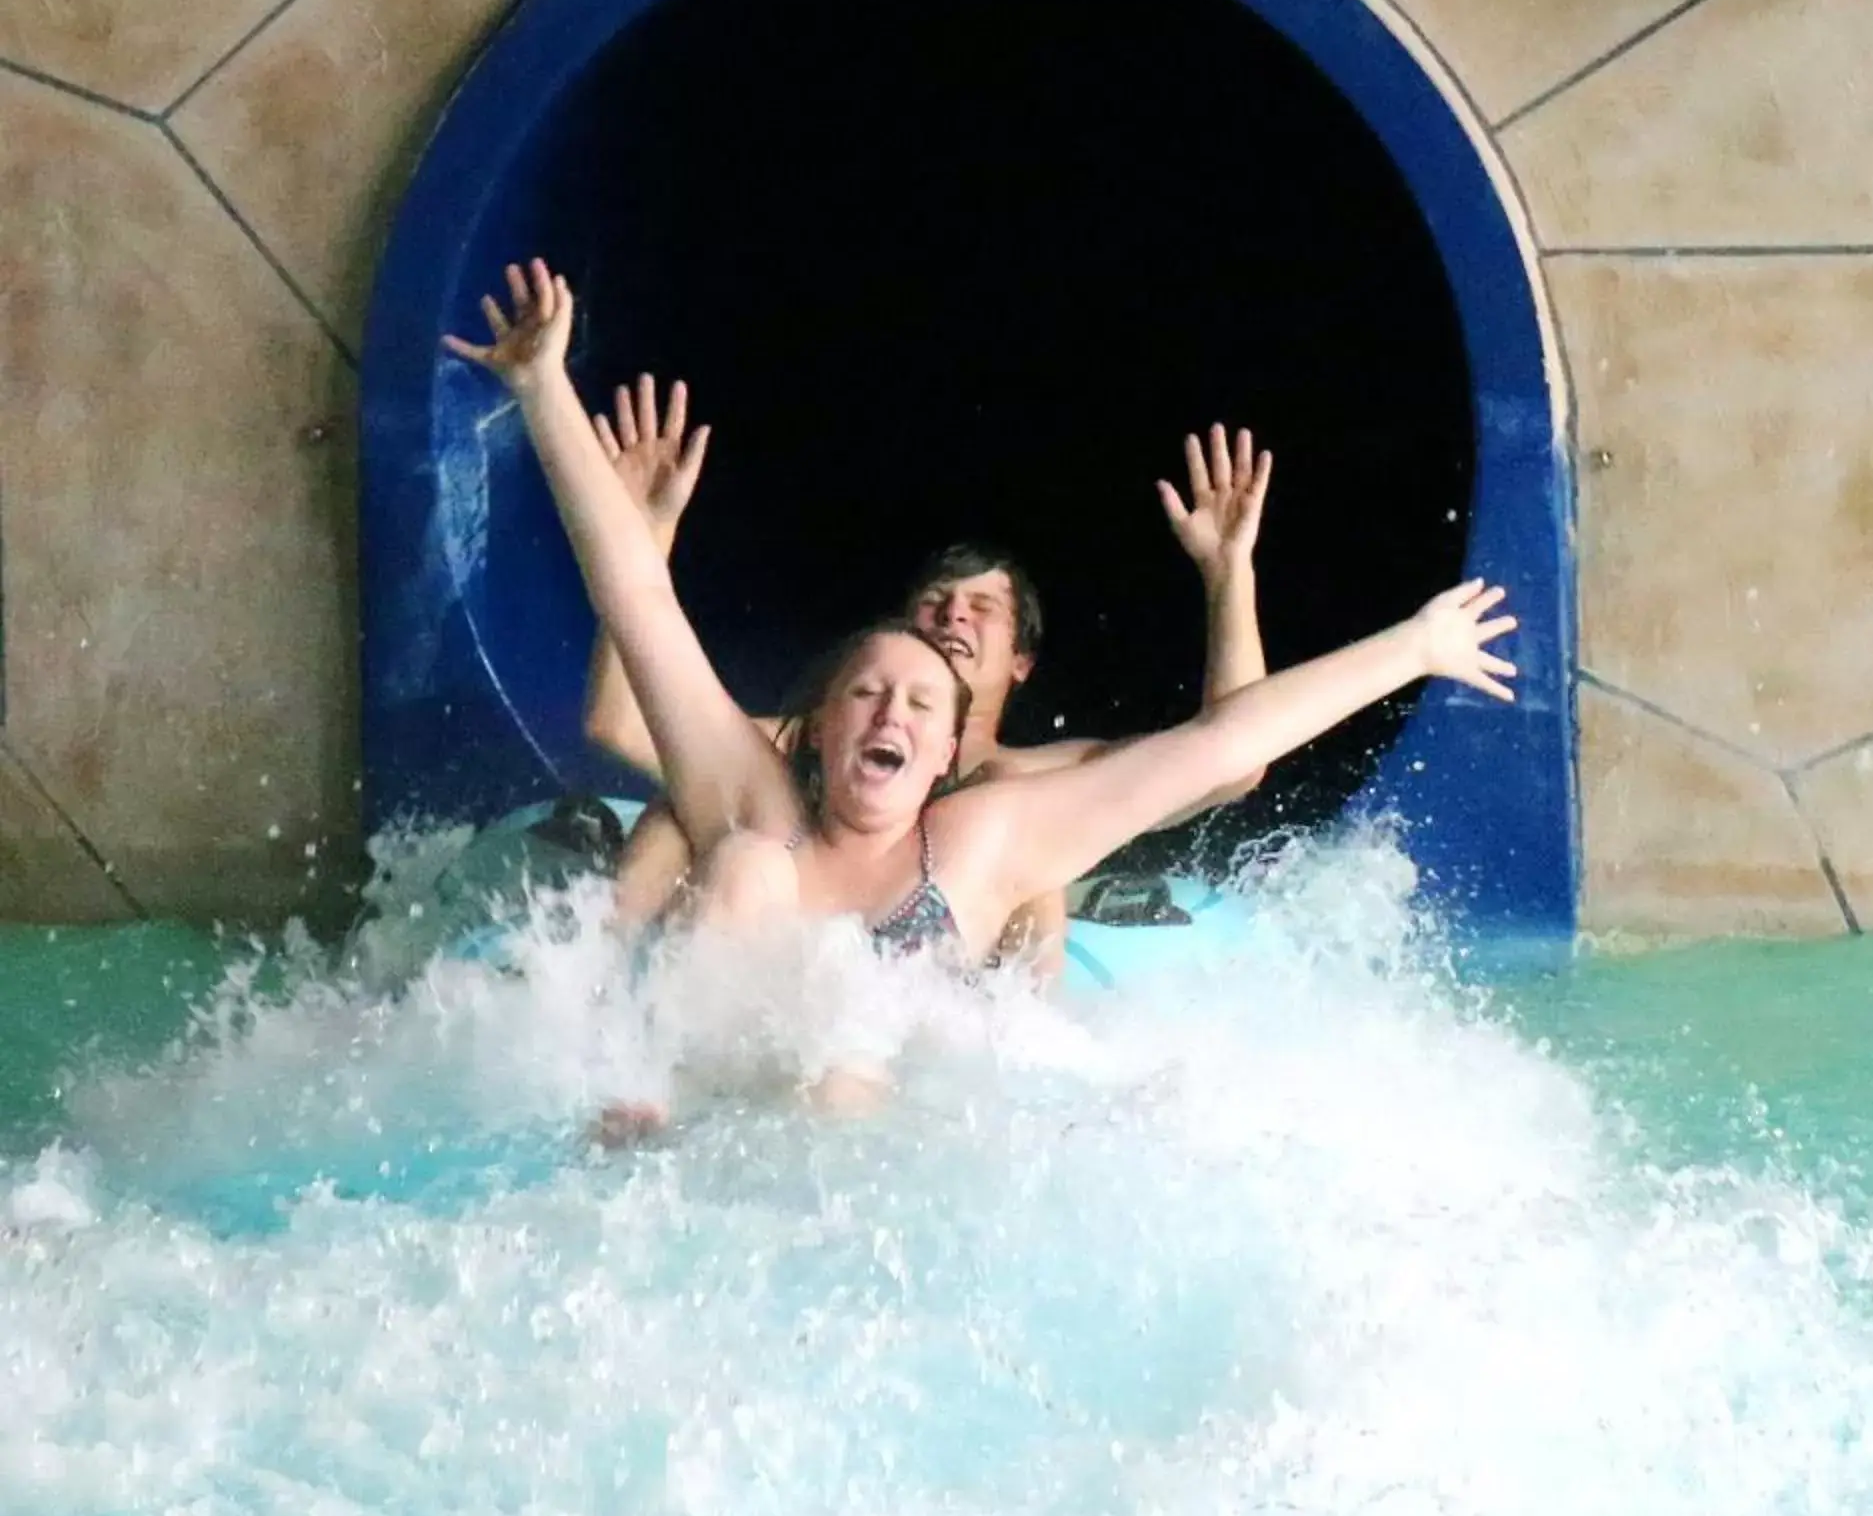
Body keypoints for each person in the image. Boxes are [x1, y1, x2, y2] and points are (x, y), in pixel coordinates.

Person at [443, 259, 1515, 1116]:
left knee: (846, 1065)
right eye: (866, 692)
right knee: (740, 863)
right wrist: (545, 392)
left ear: (948, 753)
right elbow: (636, 598)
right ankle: (644, 1093)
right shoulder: (753, 802)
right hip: (707, 1103)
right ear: (814, 730)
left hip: (868, 1140)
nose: (891, 710)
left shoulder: (980, 841)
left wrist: (1414, 645)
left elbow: (1221, 752)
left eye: (918, 702)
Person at [574, 373, 1278, 984]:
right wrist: (646, 536)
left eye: (982, 610)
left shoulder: (1033, 779)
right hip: (774, 951)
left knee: (1032, 862)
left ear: (1021, 663)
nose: (952, 619)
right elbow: (620, 722)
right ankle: (604, 987)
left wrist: (1228, 574)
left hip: (940, 1000)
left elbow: (1232, 766)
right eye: (935, 605)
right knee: (680, 811)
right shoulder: (805, 746)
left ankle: (1017, 1050)